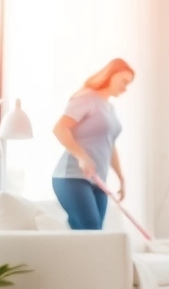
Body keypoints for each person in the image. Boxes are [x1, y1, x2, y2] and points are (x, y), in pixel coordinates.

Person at [51, 59, 134, 230]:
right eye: (124, 81)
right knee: (91, 229)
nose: (125, 88)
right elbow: (59, 129)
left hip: (98, 181)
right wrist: (82, 156)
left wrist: (121, 177)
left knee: (92, 235)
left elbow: (110, 146)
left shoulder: (110, 108)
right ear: (110, 75)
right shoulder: (87, 97)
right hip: (72, 176)